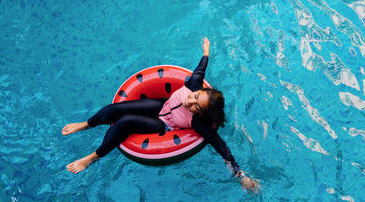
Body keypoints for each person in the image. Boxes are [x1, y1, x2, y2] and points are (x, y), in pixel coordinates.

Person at [62, 37, 260, 193]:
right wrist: (206, 51)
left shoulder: (198, 123)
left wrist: (240, 176)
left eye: (196, 107)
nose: (190, 101)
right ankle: (86, 124)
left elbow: (220, 146)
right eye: (196, 97)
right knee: (116, 109)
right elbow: (201, 68)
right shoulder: (194, 84)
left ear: (200, 114)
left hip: (163, 124)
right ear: (198, 90)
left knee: (125, 121)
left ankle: (92, 157)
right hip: (162, 105)